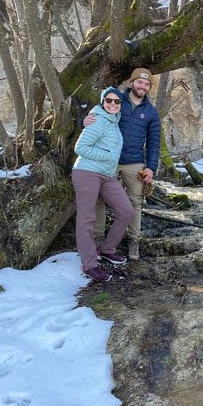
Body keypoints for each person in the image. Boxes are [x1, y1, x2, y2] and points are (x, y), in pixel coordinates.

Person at [84, 68, 161, 261]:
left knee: (135, 202)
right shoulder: (116, 101)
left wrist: (151, 167)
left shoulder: (151, 112)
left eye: (146, 84)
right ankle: (98, 238)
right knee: (99, 199)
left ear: (149, 88)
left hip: (135, 162)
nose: (142, 86)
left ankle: (133, 241)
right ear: (131, 83)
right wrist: (82, 121)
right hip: (108, 160)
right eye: (139, 82)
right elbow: (97, 117)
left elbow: (154, 142)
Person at [72, 87, 135, 282]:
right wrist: (107, 157)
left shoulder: (114, 122)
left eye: (117, 102)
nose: (113, 104)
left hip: (107, 175)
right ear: (102, 102)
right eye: (109, 101)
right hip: (87, 172)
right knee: (86, 219)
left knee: (127, 211)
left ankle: (107, 249)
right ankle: (89, 264)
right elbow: (80, 147)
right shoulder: (98, 119)